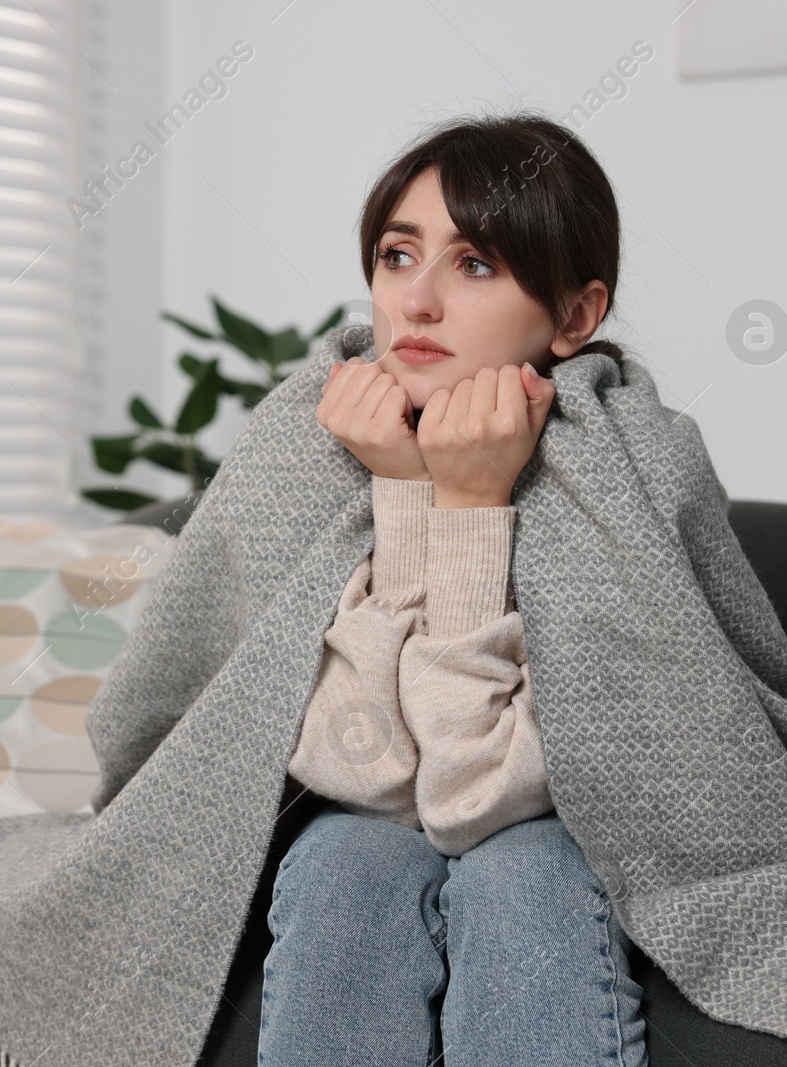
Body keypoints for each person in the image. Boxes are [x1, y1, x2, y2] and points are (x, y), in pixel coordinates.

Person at [258, 111, 649, 1066]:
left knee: (524, 868)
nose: (415, 304)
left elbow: (476, 802)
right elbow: (371, 785)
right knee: (349, 857)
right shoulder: (313, 446)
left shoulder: (634, 471)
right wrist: (400, 486)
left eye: (474, 264)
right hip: (383, 823)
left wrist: (470, 502)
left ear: (574, 317)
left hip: (558, 843)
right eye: (398, 255)